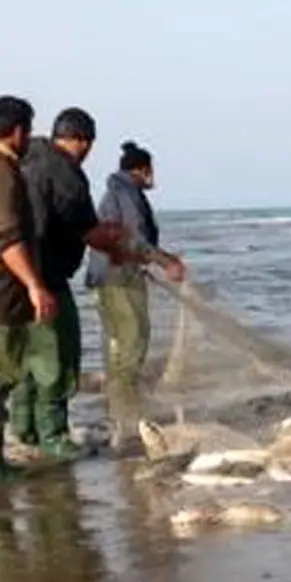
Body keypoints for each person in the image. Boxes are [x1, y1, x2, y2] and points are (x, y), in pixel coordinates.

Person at [15, 108, 126, 461]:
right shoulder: (64, 172)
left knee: (24, 357)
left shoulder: (25, 156)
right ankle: (54, 437)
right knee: (57, 356)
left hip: (12, 278)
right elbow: (87, 230)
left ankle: (25, 429)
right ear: (82, 140)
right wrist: (117, 242)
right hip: (45, 277)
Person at [85, 141, 187, 440]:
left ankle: (119, 416)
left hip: (106, 277)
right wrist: (166, 262)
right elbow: (135, 239)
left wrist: (158, 257)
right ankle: (128, 420)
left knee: (116, 346)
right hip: (119, 279)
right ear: (142, 170)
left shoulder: (116, 192)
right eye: (150, 171)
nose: (152, 177)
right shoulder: (128, 194)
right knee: (131, 344)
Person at [0, 96, 59, 480]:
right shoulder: (3, 172)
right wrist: (35, 286)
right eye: (29, 128)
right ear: (17, 129)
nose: (31, 136)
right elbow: (6, 237)